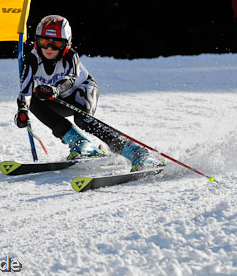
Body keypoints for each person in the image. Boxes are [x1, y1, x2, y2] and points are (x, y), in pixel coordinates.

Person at [14, 15, 165, 171]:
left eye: (55, 44)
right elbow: (25, 91)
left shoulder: (70, 56)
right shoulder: (32, 59)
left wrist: (55, 90)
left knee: (83, 120)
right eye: (44, 43)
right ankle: (81, 143)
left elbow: (71, 79)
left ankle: (135, 151)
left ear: (66, 44)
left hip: (82, 90)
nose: (49, 49)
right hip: (58, 98)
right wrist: (22, 111)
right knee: (35, 102)